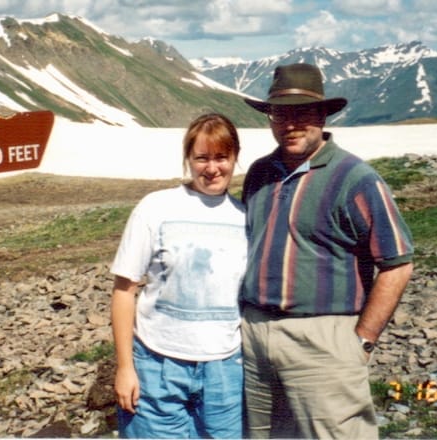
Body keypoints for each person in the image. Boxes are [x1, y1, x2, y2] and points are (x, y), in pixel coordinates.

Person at [240, 63, 414, 439]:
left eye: (303, 112)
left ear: (322, 115)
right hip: (254, 337)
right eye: (280, 113)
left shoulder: (356, 178)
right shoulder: (259, 174)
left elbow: (397, 263)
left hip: (323, 341)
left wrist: (363, 340)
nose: (290, 124)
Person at [110, 113, 247, 438]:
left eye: (221, 157)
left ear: (234, 159)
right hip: (157, 364)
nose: (212, 168)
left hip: (224, 370)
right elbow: (124, 290)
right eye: (202, 158)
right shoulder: (155, 207)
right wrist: (125, 367)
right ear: (188, 159)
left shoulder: (245, 216)